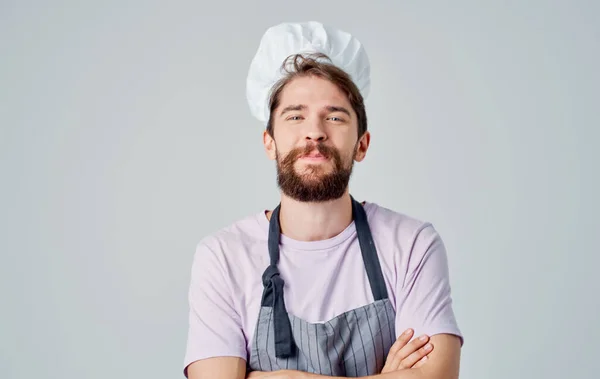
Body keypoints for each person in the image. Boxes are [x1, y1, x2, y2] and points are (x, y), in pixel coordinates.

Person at [182, 21, 464, 379]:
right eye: (295, 116)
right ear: (269, 142)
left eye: (334, 116)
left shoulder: (411, 245)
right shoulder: (223, 257)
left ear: (362, 144)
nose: (314, 131)